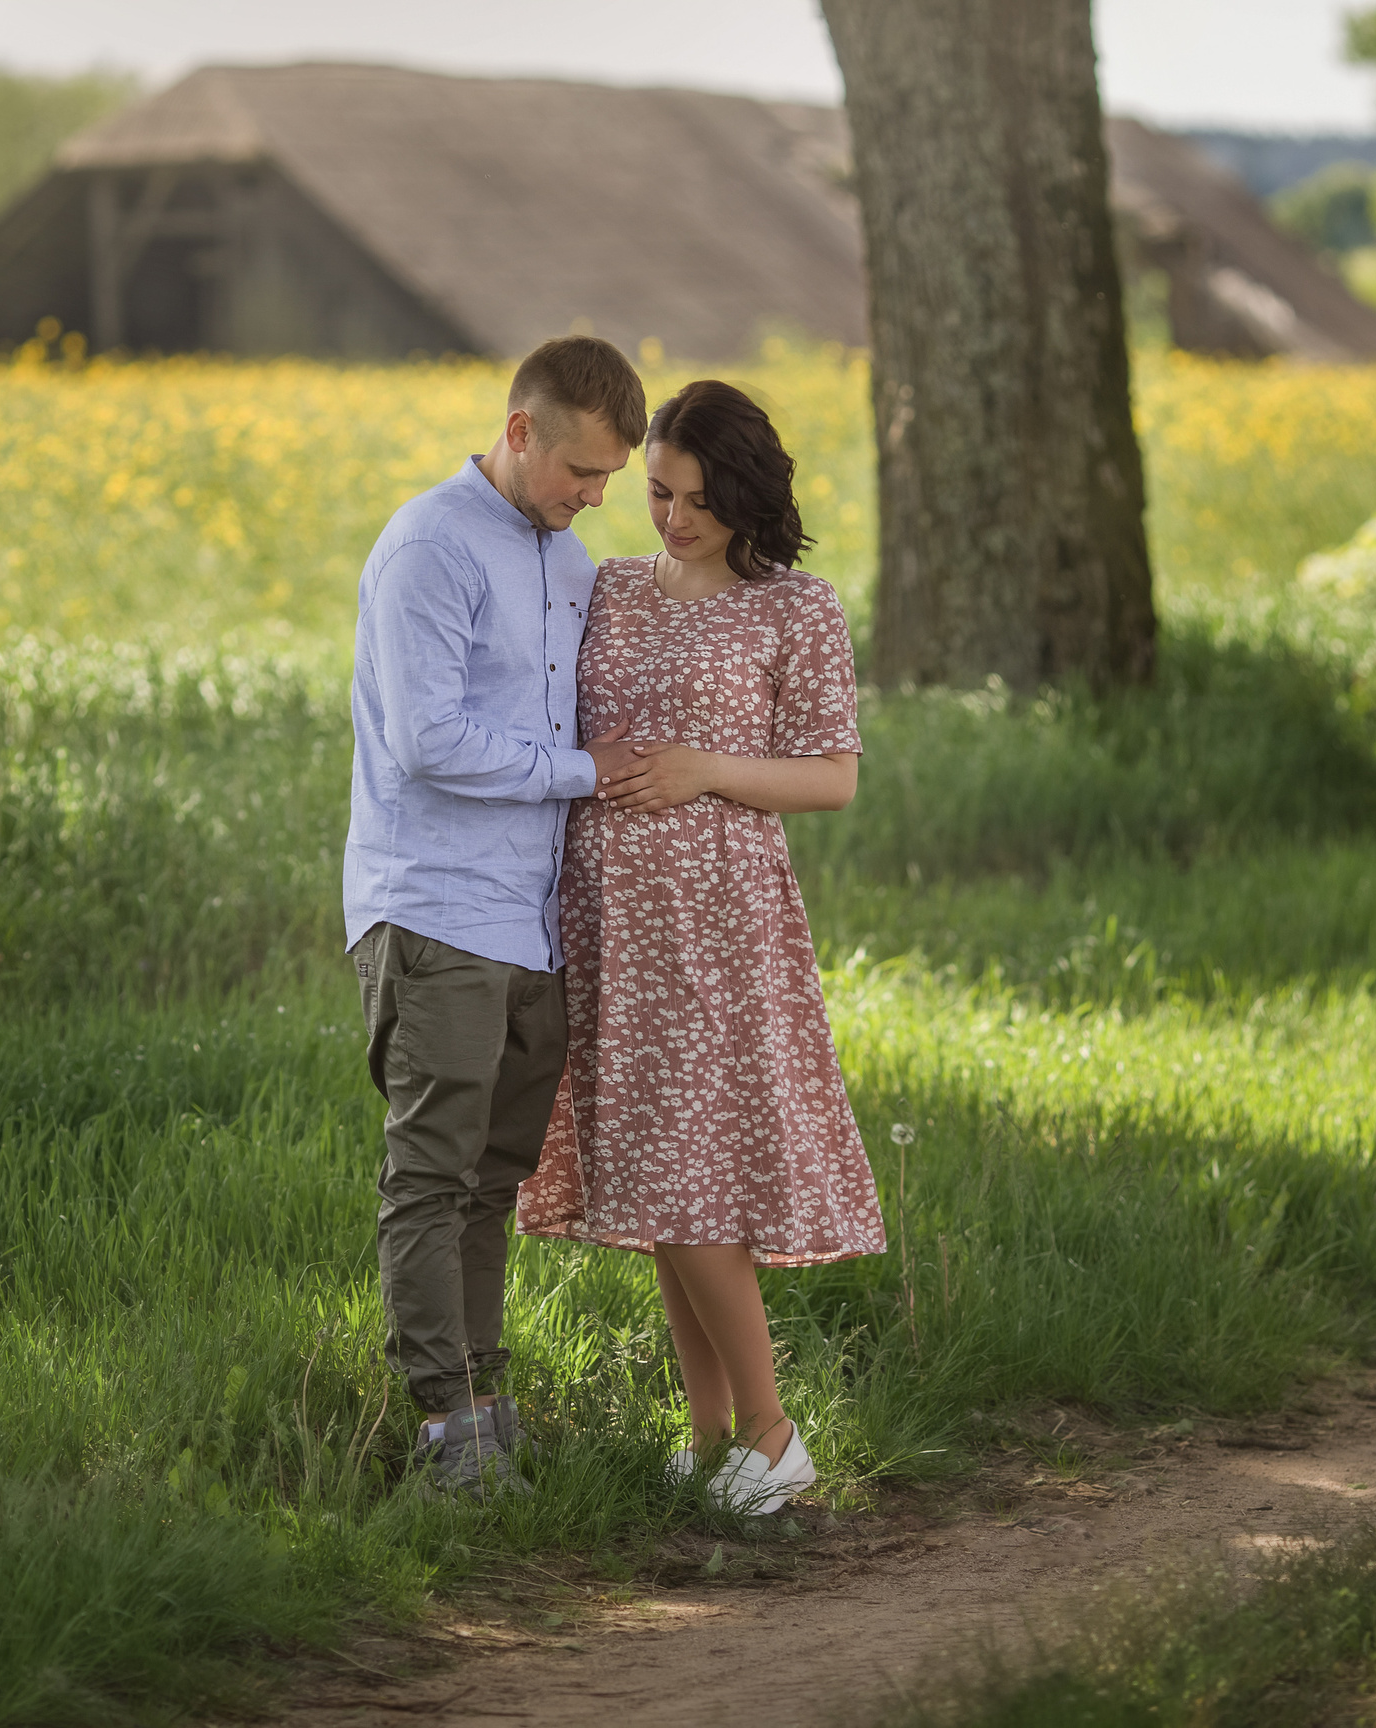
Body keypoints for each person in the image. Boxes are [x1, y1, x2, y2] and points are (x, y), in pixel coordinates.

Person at [517, 378, 883, 1516]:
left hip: (719, 928)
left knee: (694, 1189)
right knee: (655, 1185)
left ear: (744, 493)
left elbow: (833, 779)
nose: (670, 518)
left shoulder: (794, 609)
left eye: (694, 499)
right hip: (607, 925)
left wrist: (704, 770)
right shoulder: (608, 589)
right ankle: (716, 1439)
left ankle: (773, 1441)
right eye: (659, 493)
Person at [344, 335, 649, 1497]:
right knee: (430, 1174)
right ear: (519, 432)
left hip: (530, 922)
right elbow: (428, 742)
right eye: (580, 472)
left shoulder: (567, 562)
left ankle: (486, 1409)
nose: (592, 497)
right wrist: (585, 769)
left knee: (492, 1181)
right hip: (432, 910)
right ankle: (441, 1436)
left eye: (610, 480)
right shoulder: (428, 546)